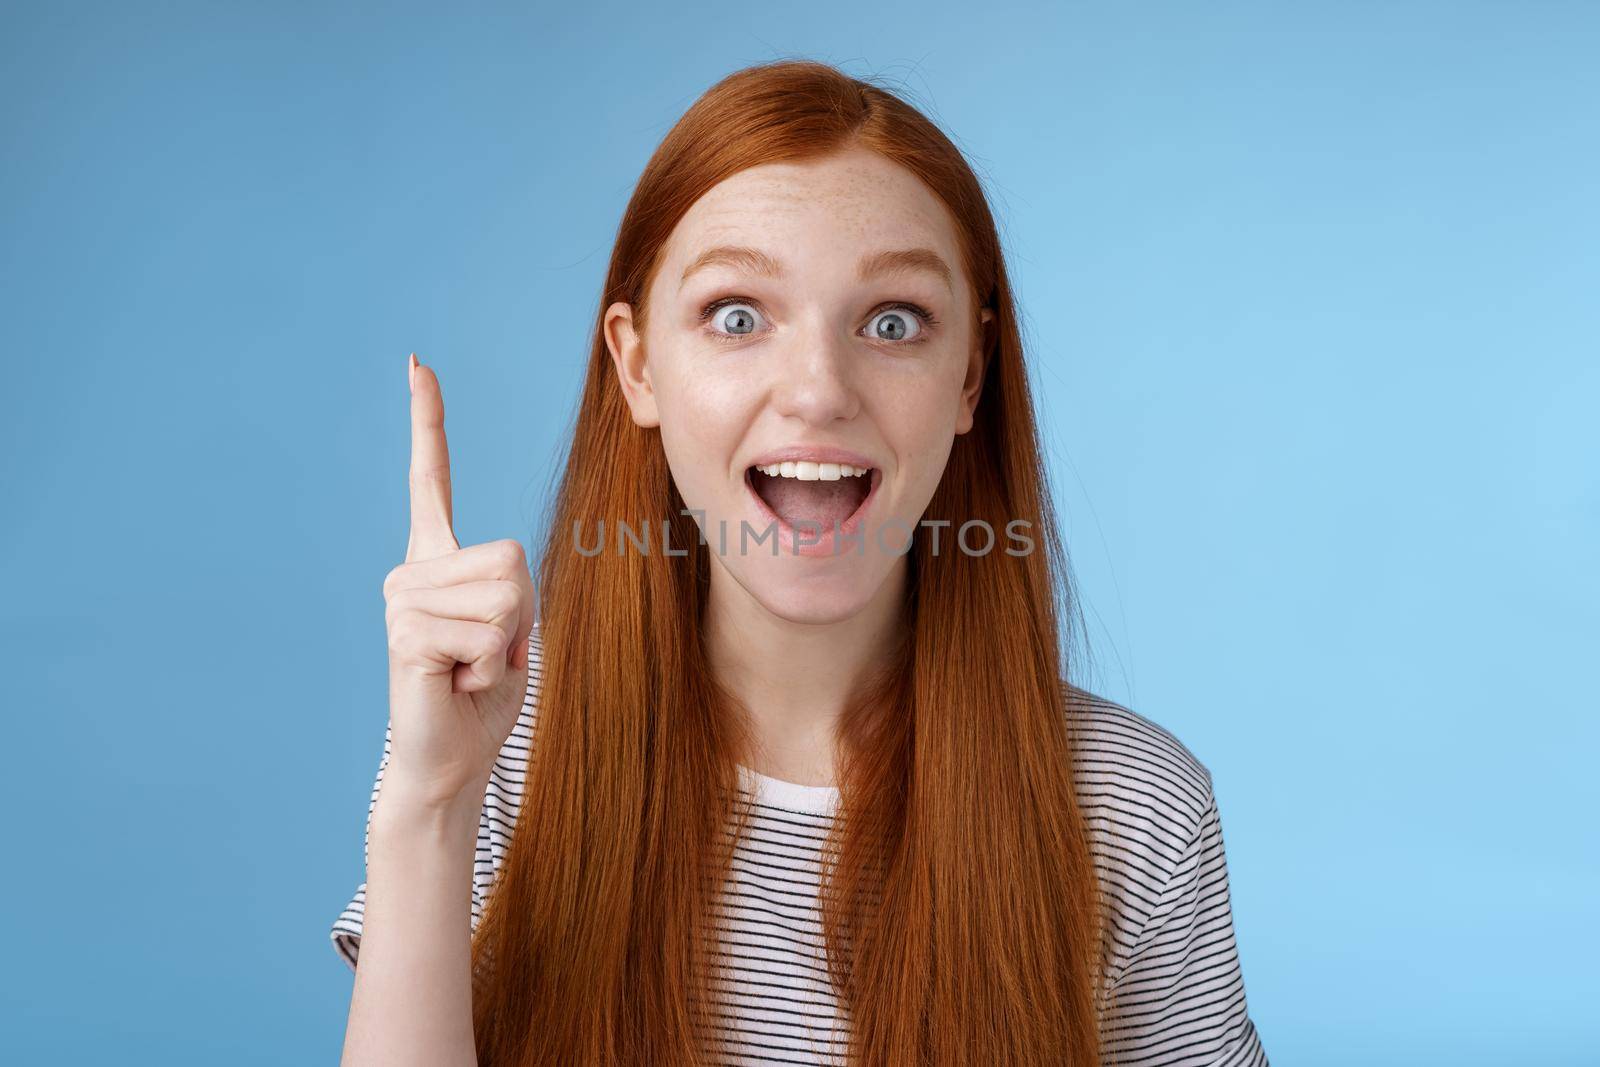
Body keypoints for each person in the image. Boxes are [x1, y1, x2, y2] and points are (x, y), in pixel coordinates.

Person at [330, 59, 1269, 1067]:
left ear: (970, 374)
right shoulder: (497, 735)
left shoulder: (1132, 805)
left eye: (893, 321)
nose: (818, 389)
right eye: (738, 315)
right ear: (637, 364)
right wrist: (431, 803)